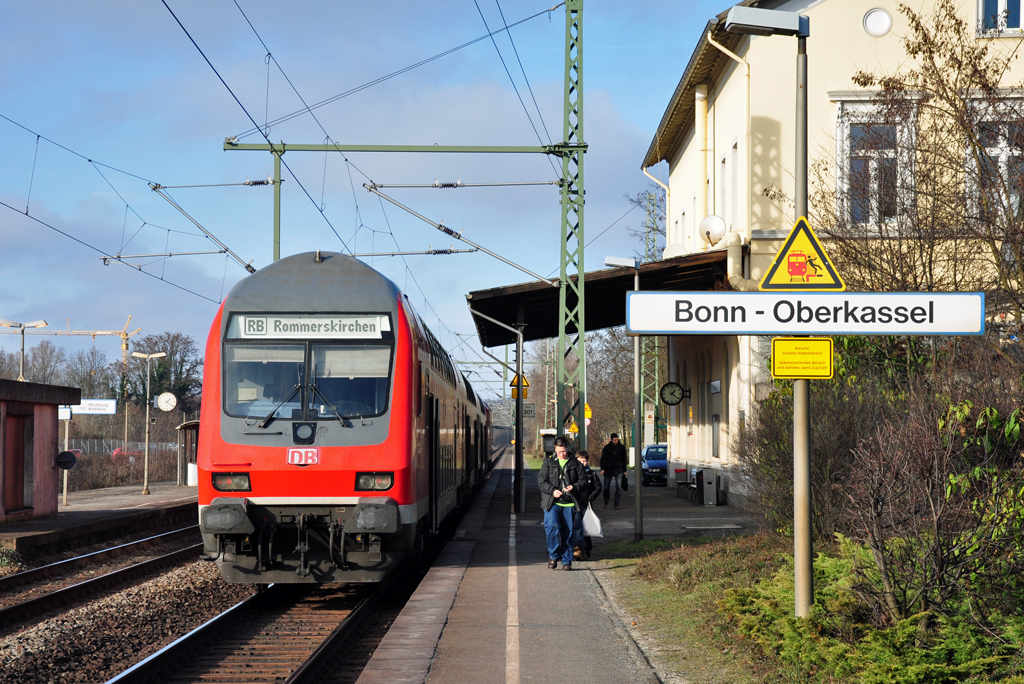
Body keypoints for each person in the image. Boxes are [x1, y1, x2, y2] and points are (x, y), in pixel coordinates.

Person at [537, 435, 584, 570]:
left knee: (568, 533)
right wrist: (552, 490)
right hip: (552, 502)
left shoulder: (575, 463)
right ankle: (553, 555)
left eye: (563, 451)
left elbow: (583, 481)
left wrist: (574, 487)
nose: (562, 454)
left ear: (567, 449)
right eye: (559, 451)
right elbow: (541, 481)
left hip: (569, 503)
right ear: (555, 450)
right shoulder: (549, 462)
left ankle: (566, 561)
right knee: (552, 527)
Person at [571, 450, 602, 560]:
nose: (583, 463)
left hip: (586, 504)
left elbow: (598, 486)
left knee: (586, 527)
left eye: (584, 461)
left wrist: (591, 496)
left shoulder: (591, 474)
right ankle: (578, 548)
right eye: (580, 460)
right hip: (575, 503)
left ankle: (586, 549)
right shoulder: (573, 473)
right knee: (577, 525)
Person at [600, 433, 628, 509]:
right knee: (606, 487)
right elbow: (603, 459)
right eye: (614, 440)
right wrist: (602, 468)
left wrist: (624, 470)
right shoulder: (607, 448)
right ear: (611, 440)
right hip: (608, 469)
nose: (616, 441)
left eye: (617, 439)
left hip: (619, 469)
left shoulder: (621, 448)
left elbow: (624, 459)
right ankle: (606, 501)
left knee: (618, 487)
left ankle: (616, 504)